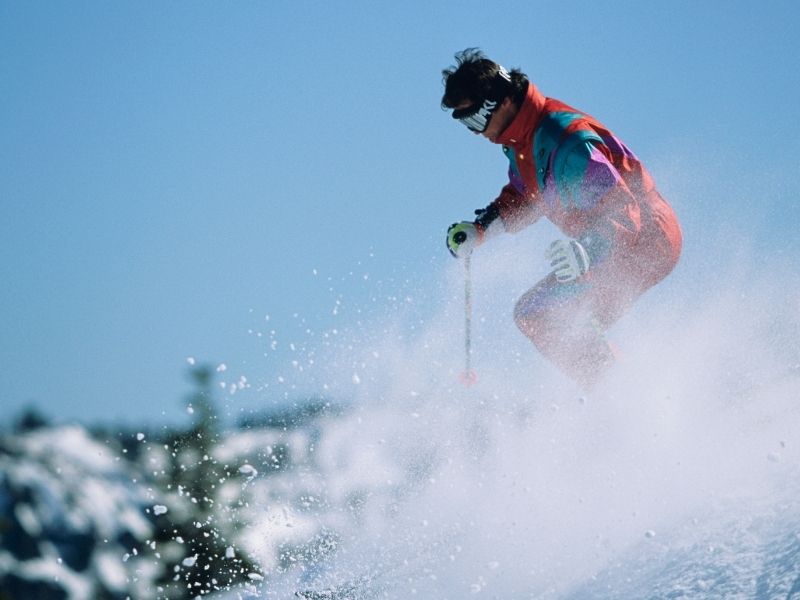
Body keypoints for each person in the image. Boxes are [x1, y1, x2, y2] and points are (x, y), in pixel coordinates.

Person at [442, 49, 682, 389]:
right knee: (541, 315)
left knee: (545, 314)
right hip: (612, 243)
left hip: (646, 239)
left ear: (502, 100)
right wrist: (480, 230)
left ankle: (621, 393)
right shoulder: (523, 141)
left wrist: (587, 251)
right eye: (465, 123)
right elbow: (526, 196)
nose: (475, 132)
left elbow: (623, 211)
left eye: (476, 119)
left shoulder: (564, 142)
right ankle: (614, 392)